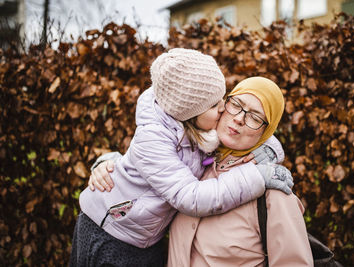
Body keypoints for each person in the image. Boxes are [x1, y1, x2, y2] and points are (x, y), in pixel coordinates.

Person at [70, 49, 294, 266]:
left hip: (147, 238)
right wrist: (256, 177)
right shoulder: (156, 138)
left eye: (223, 99)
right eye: (215, 105)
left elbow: (253, 132)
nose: (223, 109)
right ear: (191, 113)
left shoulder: (198, 127)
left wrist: (267, 151)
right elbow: (190, 197)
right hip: (111, 235)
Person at [167, 77, 313, 266]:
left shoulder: (274, 194)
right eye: (236, 104)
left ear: (266, 132)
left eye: (255, 117)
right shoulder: (194, 163)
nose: (239, 118)